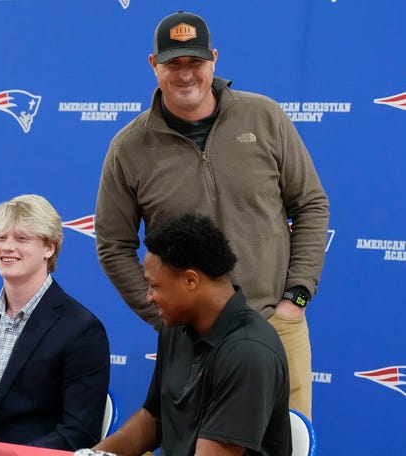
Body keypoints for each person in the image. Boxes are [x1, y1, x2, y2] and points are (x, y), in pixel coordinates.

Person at [95, 10, 329, 419]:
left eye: (195, 62)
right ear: (154, 65)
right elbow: (113, 245)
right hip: (192, 339)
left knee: (285, 444)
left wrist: (296, 298)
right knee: (199, 445)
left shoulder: (265, 116)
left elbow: (310, 205)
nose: (186, 74)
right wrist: (166, 317)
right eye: (173, 63)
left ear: (214, 59)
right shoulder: (128, 148)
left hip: (276, 325)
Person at [93, 213, 291, 456]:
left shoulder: (249, 352)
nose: (149, 297)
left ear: (190, 280)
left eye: (155, 286)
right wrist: (93, 454)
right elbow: (153, 419)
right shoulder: (174, 329)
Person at [0, 194, 110, 450]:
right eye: (0, 237)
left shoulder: (82, 329)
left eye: (21, 238)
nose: (6, 247)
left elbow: (78, 432)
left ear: (49, 248)